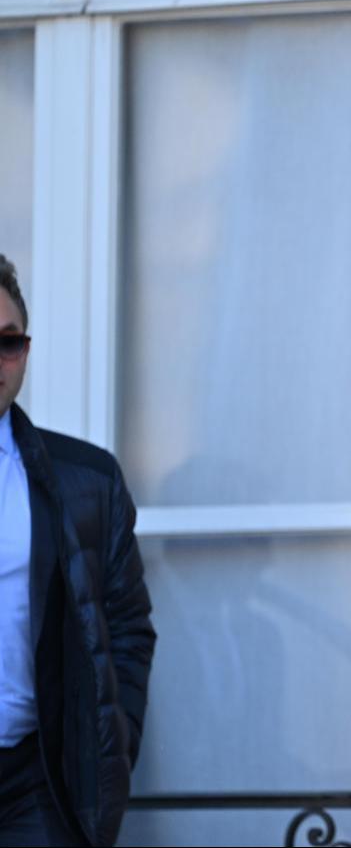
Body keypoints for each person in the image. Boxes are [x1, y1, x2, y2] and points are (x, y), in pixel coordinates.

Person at [0, 256, 156, 848]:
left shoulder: (85, 481)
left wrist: (108, 751)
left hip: (36, 784)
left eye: (8, 343)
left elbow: (126, 628)